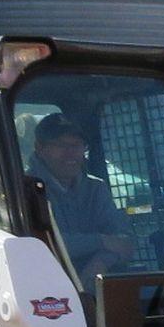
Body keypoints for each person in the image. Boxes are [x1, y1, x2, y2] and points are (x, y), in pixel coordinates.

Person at [29, 114, 135, 282]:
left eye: (77, 145)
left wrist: (99, 264)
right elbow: (40, 247)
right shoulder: (27, 191)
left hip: (101, 288)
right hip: (46, 289)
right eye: (61, 145)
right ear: (40, 148)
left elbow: (123, 241)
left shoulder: (96, 188)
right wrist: (100, 241)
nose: (70, 153)